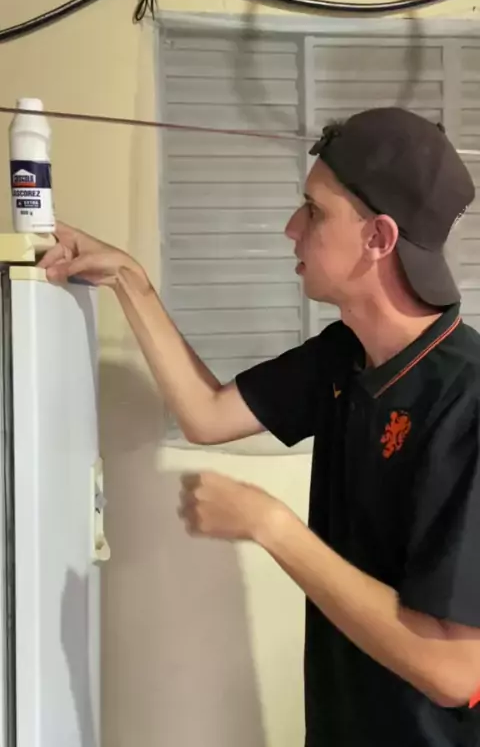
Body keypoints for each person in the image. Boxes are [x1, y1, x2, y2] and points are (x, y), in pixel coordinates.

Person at [39, 107, 480, 747]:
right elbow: (206, 414)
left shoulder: (466, 400)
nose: (291, 228)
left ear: (379, 238)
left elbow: (456, 671)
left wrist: (274, 528)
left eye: (314, 211)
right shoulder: (344, 356)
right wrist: (129, 279)